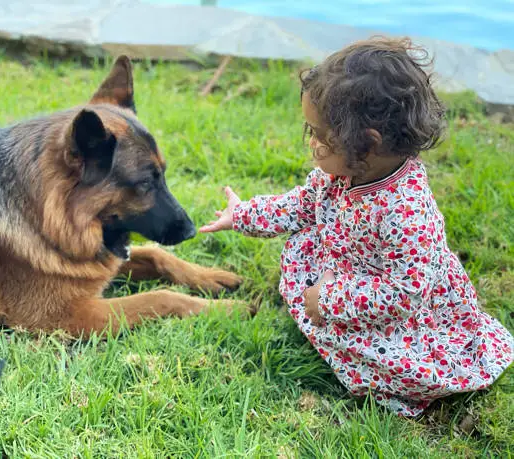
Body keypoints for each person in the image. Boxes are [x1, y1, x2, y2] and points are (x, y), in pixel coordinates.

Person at [199, 37, 514, 417]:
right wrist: (245, 214)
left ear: (367, 143)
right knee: (307, 245)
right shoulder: (346, 172)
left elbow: (403, 292)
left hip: (395, 310)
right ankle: (319, 312)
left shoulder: (406, 211)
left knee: (394, 363)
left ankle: (371, 362)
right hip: (350, 270)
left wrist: (330, 299)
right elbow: (302, 205)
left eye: (319, 135)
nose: (312, 143)